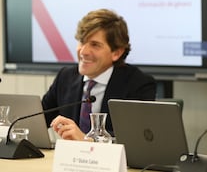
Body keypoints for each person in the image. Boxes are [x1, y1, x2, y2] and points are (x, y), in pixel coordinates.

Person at [42, 9, 156, 141]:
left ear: (116, 53)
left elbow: (137, 139)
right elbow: (38, 121)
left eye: (95, 45)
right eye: (82, 42)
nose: (83, 52)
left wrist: (88, 141)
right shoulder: (65, 77)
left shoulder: (138, 84)